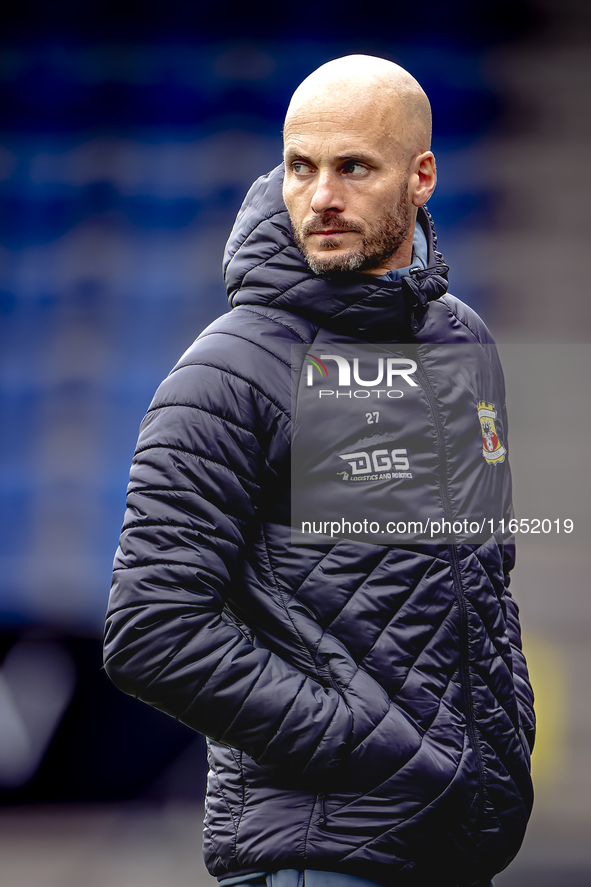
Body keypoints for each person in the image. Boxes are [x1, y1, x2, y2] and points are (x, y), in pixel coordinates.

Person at [104, 55, 535, 887]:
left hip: (456, 845)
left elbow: (480, 575)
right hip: (318, 852)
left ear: (421, 177)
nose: (321, 197)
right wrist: (362, 744)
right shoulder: (230, 370)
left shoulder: (461, 343)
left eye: (353, 168)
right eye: (301, 166)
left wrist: (497, 737)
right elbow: (151, 630)